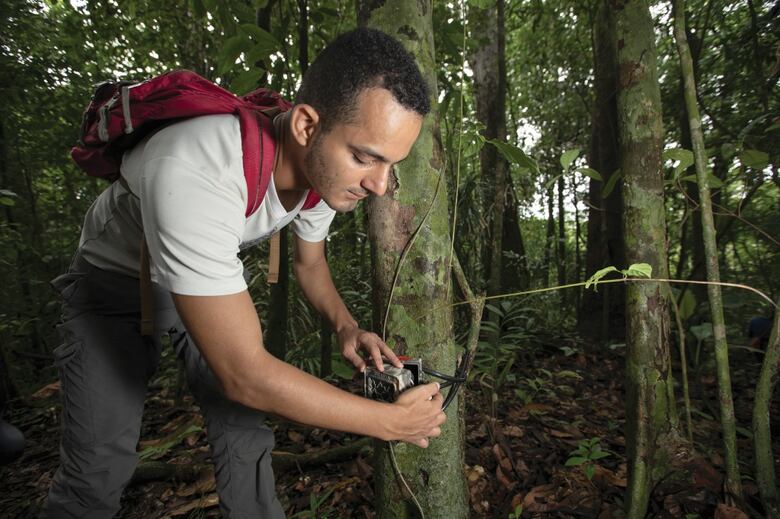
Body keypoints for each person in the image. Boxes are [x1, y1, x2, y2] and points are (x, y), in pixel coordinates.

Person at [43, 28, 446, 518]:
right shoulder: (196, 165)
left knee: (244, 433)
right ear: (305, 126)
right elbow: (245, 375)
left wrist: (346, 326)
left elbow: (310, 263)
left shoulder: (324, 177)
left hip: (200, 278)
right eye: (366, 158)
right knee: (98, 470)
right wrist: (389, 423)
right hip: (114, 282)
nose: (379, 186)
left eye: (391, 165)